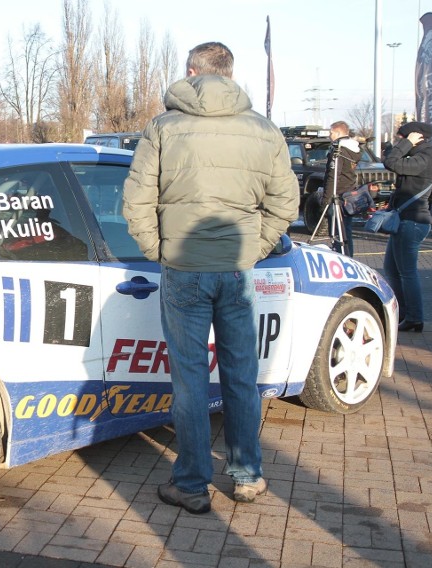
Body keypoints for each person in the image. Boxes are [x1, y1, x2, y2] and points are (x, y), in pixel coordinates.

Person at [122, 42, 299, 514]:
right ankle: (247, 475)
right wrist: (254, 249)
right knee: (242, 374)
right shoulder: (263, 131)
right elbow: (285, 204)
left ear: (193, 71)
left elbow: (135, 202)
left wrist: (160, 250)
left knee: (190, 379)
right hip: (237, 270)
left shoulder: (163, 127)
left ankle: (192, 484)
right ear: (230, 73)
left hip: (183, 270)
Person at [382, 122, 432, 332]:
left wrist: (405, 143)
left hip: (412, 222)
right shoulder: (421, 157)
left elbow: (391, 162)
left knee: (407, 273)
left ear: (415, 137)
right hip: (406, 220)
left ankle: (414, 318)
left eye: (402, 137)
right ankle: (402, 313)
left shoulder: (424, 160)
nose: (399, 142)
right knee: (392, 269)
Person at [320, 121, 361, 256]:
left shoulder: (339, 150)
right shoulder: (354, 149)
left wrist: (326, 200)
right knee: (346, 230)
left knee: (338, 231)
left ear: (337, 133)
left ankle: (342, 257)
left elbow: (333, 176)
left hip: (338, 196)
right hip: (349, 194)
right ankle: (348, 256)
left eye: (331, 132)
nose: (329, 135)